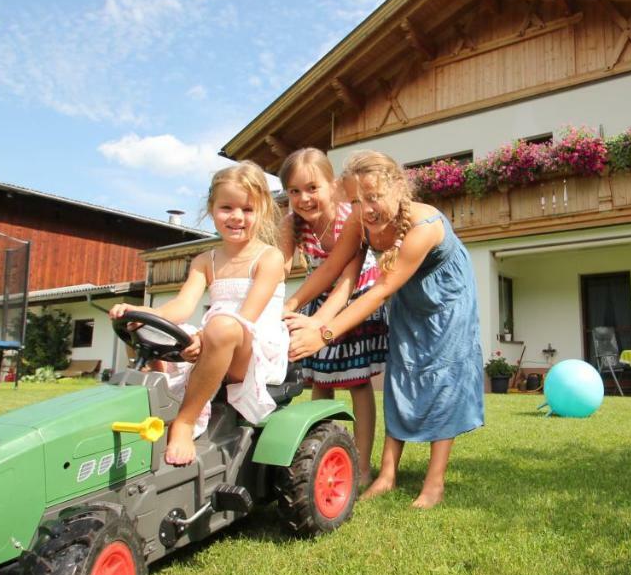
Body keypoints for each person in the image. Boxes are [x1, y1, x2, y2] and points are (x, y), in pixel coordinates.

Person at [286, 150, 483, 509]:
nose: (367, 208)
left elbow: (379, 290)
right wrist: (293, 307)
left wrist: (325, 334)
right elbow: (332, 270)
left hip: (447, 300)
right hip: (407, 295)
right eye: (358, 201)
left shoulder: (424, 227)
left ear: (397, 188)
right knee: (401, 375)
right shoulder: (360, 221)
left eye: (374, 197)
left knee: (443, 379)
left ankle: (434, 482)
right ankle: (387, 473)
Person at [110, 162, 288, 466]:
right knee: (139, 326)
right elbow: (181, 306)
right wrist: (141, 311)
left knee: (222, 326)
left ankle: (185, 421)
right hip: (215, 338)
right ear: (212, 208)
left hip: (253, 350)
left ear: (263, 210)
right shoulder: (206, 259)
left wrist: (206, 337)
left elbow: (247, 316)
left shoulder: (269, 257)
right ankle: (154, 402)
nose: (236, 217)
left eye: (247, 209)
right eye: (227, 207)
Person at [278, 148, 389, 490]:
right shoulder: (291, 224)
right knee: (321, 381)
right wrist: (274, 308)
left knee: (357, 383)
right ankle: (317, 457)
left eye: (312, 188)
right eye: (294, 191)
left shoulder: (350, 218)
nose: (303, 198)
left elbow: (343, 279)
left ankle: (362, 465)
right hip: (320, 296)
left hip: (355, 296)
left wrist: (318, 325)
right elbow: (278, 271)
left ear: (334, 185)